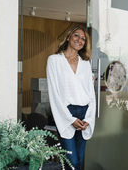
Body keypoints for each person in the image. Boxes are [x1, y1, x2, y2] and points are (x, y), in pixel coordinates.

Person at [46, 25, 96, 170]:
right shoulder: (54, 60)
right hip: (66, 113)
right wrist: (70, 119)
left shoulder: (85, 64)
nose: (79, 40)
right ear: (68, 37)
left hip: (84, 114)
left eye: (83, 39)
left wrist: (89, 118)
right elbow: (54, 94)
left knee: (79, 161)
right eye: (76, 36)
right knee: (71, 162)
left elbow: (90, 94)